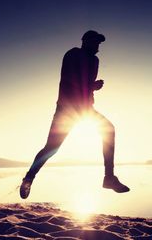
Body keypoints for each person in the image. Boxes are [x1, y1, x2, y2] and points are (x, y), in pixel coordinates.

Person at [19, 30, 129, 199]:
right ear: (85, 41)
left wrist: (92, 88)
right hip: (66, 110)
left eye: (99, 44)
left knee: (108, 129)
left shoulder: (95, 60)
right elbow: (70, 80)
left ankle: (109, 178)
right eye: (95, 42)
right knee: (52, 148)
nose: (98, 47)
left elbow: (84, 85)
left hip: (85, 109)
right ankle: (29, 178)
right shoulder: (73, 54)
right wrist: (93, 86)